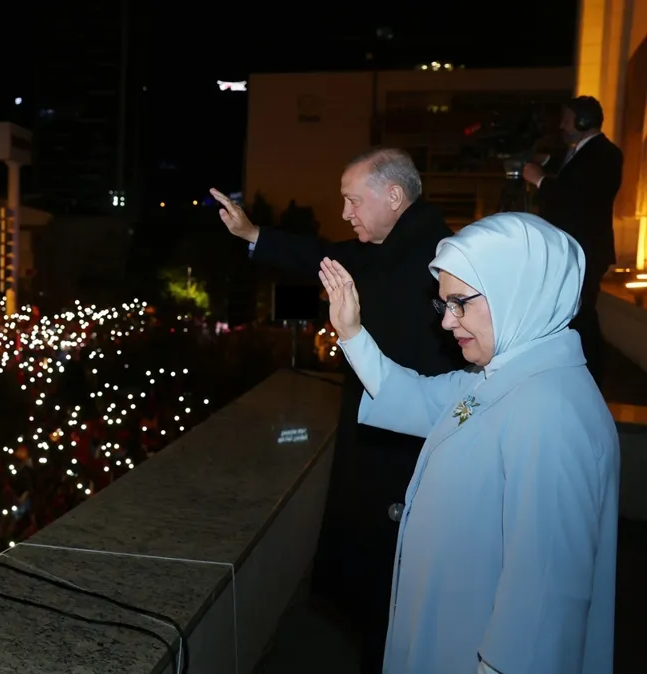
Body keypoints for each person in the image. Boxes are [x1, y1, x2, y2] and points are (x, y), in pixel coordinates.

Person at [318, 212, 619, 674]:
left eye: (460, 302)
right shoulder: (505, 376)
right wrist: (353, 333)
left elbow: (542, 608)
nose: (447, 322)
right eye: (444, 305)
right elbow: (415, 397)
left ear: (517, 292)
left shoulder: (550, 413)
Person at [212, 148, 466, 672]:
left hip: (406, 450)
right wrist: (253, 235)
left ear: (393, 196)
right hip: (384, 434)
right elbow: (323, 257)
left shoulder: (435, 257)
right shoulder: (394, 246)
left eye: (353, 200)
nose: (346, 213)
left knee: (391, 584)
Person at [522, 95, 623, 386]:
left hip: (587, 249)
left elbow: (581, 199)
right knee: (572, 314)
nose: (562, 126)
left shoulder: (606, 154)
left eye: (567, 119)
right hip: (572, 248)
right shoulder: (576, 151)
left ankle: (591, 377)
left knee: (582, 315)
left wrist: (541, 181)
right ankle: (573, 374)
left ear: (583, 121)